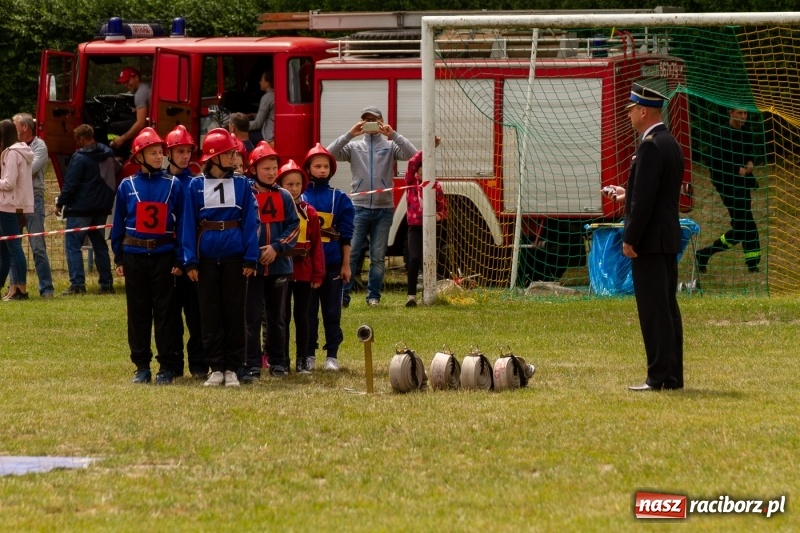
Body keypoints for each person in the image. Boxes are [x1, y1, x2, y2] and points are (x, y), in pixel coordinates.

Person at [613, 82, 685, 392]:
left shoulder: (650, 145)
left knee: (654, 311)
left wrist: (630, 238)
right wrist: (626, 195)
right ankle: (671, 376)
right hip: (665, 238)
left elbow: (645, 202)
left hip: (651, 242)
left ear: (643, 111)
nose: (628, 115)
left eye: (631, 110)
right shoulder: (669, 142)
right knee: (667, 309)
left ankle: (658, 377)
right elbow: (650, 193)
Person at [182, 128, 260, 387]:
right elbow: (188, 224)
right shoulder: (195, 185)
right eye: (228, 153)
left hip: (235, 258)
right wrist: (190, 259)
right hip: (205, 259)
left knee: (234, 313)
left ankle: (234, 368)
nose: (235, 157)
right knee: (210, 313)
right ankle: (216, 367)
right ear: (214, 157)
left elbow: (250, 222)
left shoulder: (242, 185)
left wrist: (251, 257)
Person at [111, 128, 185, 384]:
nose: (158, 156)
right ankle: (141, 365)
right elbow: (119, 222)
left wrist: (180, 258)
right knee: (138, 312)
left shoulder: (174, 185)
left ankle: (166, 366)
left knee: (165, 313)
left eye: (160, 152)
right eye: (152, 152)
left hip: (164, 256)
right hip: (134, 256)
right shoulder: (126, 185)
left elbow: (183, 224)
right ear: (139, 156)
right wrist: (119, 256)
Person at [328, 105, 417, 307]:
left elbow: (414, 156)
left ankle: (373, 297)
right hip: (358, 208)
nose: (370, 122)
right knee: (351, 254)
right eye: (366, 119)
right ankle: (343, 296)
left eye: (374, 119)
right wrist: (350, 134)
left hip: (383, 210)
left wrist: (393, 134)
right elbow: (328, 154)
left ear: (381, 121)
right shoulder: (353, 147)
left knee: (378, 257)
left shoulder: (389, 146)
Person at [239, 142, 299, 381]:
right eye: (266, 168)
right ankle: (252, 362)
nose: (272, 172)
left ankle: (279, 362)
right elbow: (242, 226)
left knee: (278, 318)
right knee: (250, 317)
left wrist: (276, 247)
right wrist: (253, 252)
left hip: (279, 266)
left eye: (274, 167)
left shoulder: (284, 196)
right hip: (251, 267)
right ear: (254, 169)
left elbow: (294, 226)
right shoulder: (246, 194)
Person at [303, 143, 354, 371]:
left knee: (332, 312)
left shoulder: (340, 198)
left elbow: (346, 235)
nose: (322, 170)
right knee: (308, 313)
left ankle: (332, 355)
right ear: (308, 168)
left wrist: (346, 264)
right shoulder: (300, 195)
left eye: (325, 166)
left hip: (332, 266)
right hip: (307, 267)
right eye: (317, 166)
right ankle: (309, 354)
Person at [695, 107, 763, 273]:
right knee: (745, 225)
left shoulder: (746, 132)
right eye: (740, 113)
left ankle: (751, 264)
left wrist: (750, 162)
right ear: (730, 113)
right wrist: (735, 170)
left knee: (744, 226)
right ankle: (706, 254)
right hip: (727, 185)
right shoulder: (721, 134)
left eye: (745, 113)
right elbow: (714, 161)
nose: (743, 116)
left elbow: (749, 152)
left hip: (743, 184)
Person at [164, 125, 206, 379]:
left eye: (188, 151)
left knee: (196, 314)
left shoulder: (197, 183)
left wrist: (187, 259)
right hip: (166, 258)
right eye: (179, 151)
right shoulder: (161, 182)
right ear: (169, 152)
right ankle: (173, 365)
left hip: (192, 258)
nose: (184, 156)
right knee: (169, 316)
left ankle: (199, 365)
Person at [56, 124, 117, 296]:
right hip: (102, 207)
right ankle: (106, 284)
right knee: (100, 245)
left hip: (81, 209)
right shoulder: (107, 154)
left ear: (82, 139)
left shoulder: (80, 158)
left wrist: (61, 203)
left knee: (72, 245)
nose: (77, 144)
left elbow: (71, 183)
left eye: (77, 140)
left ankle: (77, 284)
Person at [277, 160, 325, 374]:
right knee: (282, 316)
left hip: (304, 271)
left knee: (303, 317)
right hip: (283, 268)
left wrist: (317, 273)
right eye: (289, 184)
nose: (294, 188)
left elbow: (316, 246)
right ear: (281, 185)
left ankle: (302, 359)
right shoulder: (275, 208)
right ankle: (283, 360)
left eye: (297, 184)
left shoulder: (310, 212)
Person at [8, 113, 54, 299]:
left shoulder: (39, 145)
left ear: (25, 127)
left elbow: (31, 169)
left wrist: (13, 171)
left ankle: (46, 289)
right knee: (13, 244)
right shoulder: (12, 146)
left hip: (34, 197)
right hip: (14, 199)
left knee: (37, 245)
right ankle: (15, 287)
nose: (14, 128)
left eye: (15, 125)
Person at [404, 150, 447, 307]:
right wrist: (428, 148)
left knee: (429, 260)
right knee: (414, 258)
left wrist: (439, 216)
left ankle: (429, 294)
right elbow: (410, 163)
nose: (423, 176)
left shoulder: (436, 187)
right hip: (414, 227)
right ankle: (411, 296)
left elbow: (444, 208)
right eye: (420, 173)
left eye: (426, 173)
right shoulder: (411, 182)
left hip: (430, 228)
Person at [0, 119, 34, 301]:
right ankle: (14, 288)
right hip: (15, 204)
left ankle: (19, 288)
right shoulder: (21, 151)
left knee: (13, 248)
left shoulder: (12, 154)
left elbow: (8, 183)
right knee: (6, 250)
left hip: (7, 206)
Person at [108, 67, 151, 158]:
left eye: (127, 81)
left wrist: (122, 138)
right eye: (123, 82)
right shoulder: (147, 86)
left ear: (136, 78)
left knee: (112, 127)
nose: (125, 84)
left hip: (147, 124)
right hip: (149, 119)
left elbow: (140, 123)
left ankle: (118, 155)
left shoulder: (140, 94)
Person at [249, 71, 275, 145]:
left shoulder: (267, 97)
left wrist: (240, 126)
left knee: (243, 135)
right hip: (273, 133)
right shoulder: (275, 94)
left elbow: (258, 123)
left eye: (262, 80)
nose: (260, 82)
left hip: (268, 136)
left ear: (267, 83)